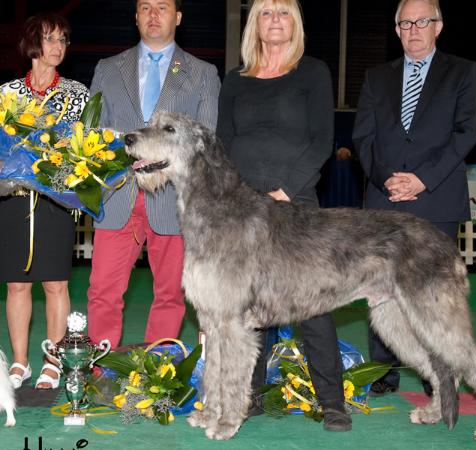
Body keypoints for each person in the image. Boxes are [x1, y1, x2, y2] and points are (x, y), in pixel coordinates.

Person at [216, 0, 351, 432]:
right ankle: (249, 395)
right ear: (254, 23)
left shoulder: (312, 72)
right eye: (267, 12)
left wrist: (285, 191)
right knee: (245, 303)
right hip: (243, 208)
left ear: (296, 22)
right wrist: (239, 198)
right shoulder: (234, 79)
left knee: (313, 305)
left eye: (284, 11)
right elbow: (224, 141)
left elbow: (322, 140)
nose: (275, 20)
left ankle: (332, 402)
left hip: (296, 206)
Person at [353, 0, 476, 395]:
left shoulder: (462, 72)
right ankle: (381, 371)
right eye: (405, 23)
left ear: (438, 26)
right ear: (396, 30)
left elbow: (466, 134)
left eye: (422, 21)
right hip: (383, 198)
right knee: (377, 289)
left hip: (436, 197)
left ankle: (438, 375)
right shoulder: (376, 76)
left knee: (434, 299)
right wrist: (387, 179)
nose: (414, 29)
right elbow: (363, 137)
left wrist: (421, 180)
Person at [86, 0, 220, 348]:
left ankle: (155, 374)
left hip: (173, 199)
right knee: (102, 291)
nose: (154, 15)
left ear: (177, 17)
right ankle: (99, 368)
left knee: (171, 295)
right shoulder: (108, 68)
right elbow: (93, 131)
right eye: (145, 7)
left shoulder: (203, 74)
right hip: (118, 193)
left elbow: (204, 138)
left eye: (162, 7)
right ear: (135, 17)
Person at [0, 13, 89, 390]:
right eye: (51, 39)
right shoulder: (6, 94)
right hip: (12, 200)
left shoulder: (77, 93)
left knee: (55, 284)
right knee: (16, 286)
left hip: (55, 199)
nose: (58, 47)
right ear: (33, 44)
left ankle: (53, 360)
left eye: (63, 40)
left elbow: (83, 148)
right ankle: (19, 361)